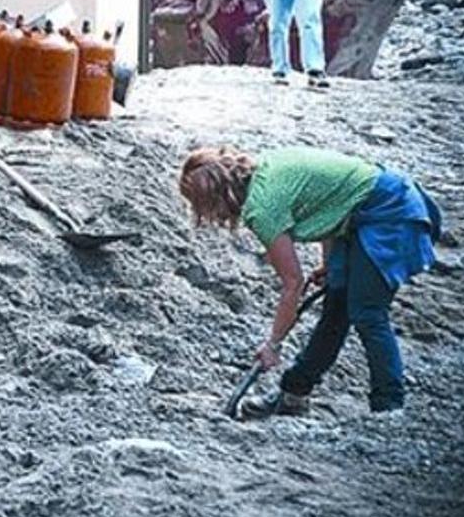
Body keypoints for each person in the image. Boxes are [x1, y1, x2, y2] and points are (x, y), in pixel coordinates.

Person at [178, 146, 442, 419]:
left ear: (216, 198)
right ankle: (294, 393)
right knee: (336, 306)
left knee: (368, 313)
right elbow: (328, 207)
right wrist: (328, 266)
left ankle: (389, 409)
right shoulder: (266, 170)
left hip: (390, 211)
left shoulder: (262, 209)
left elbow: (293, 283)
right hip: (362, 209)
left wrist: (273, 345)